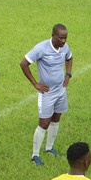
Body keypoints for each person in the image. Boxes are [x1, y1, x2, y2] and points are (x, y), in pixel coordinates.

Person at [20, 24, 73, 166]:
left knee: (56, 119)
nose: (63, 41)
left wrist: (68, 74)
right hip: (47, 93)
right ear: (53, 35)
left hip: (61, 90)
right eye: (60, 38)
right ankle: (35, 155)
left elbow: (69, 58)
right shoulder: (41, 48)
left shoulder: (65, 47)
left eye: (65, 38)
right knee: (44, 123)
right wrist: (35, 84)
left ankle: (49, 148)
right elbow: (23, 64)